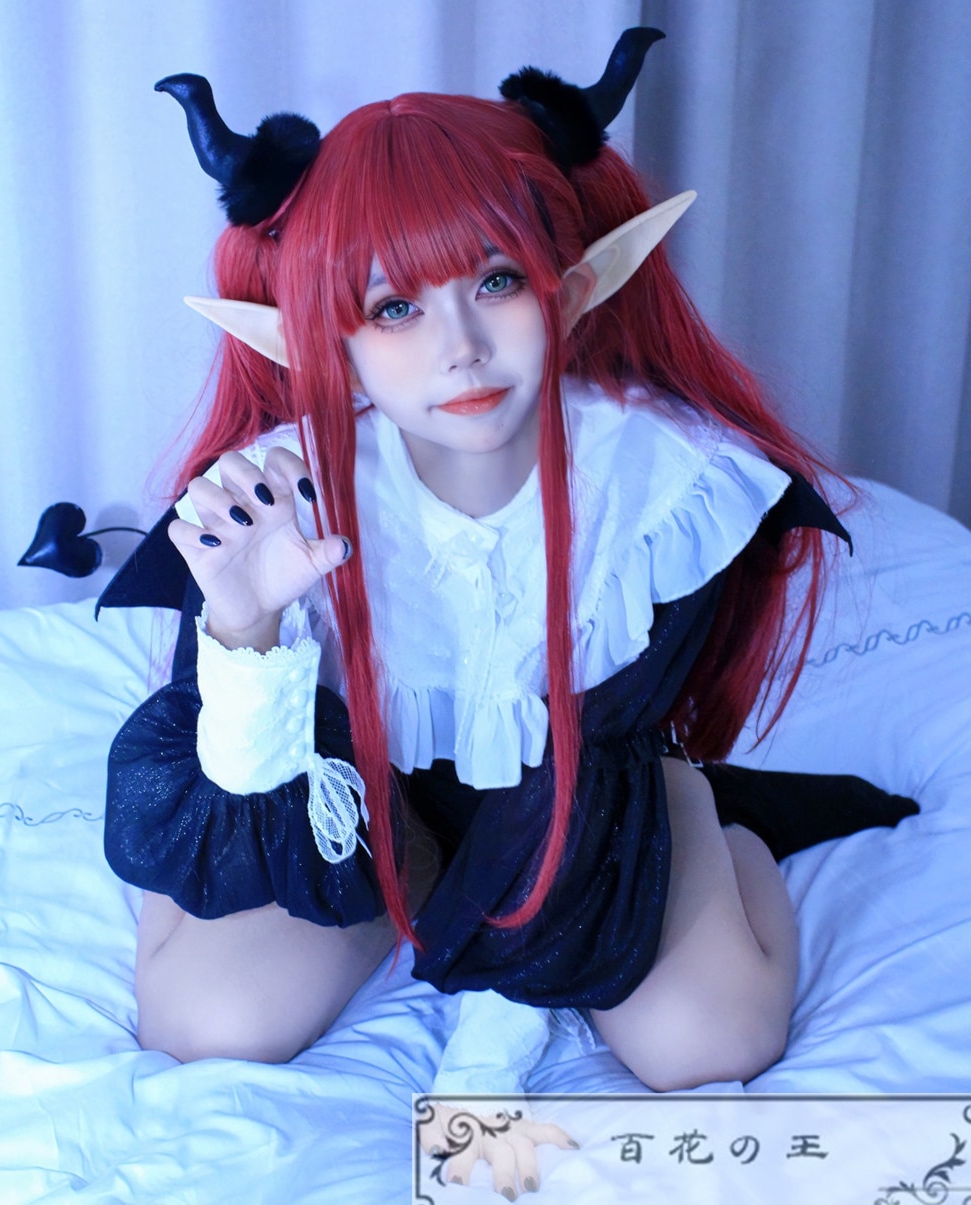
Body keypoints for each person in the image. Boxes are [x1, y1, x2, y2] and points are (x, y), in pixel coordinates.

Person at [100, 27, 915, 1196]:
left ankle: (711, 821)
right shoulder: (283, 489)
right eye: (393, 306)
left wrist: (505, 1015)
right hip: (360, 801)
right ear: (324, 340)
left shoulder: (663, 487)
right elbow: (252, 778)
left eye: (493, 281)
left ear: (566, 289)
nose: (461, 347)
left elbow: (614, 726)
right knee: (205, 1022)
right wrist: (242, 629)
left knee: (712, 1042)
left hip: (593, 789)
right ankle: (215, 904)